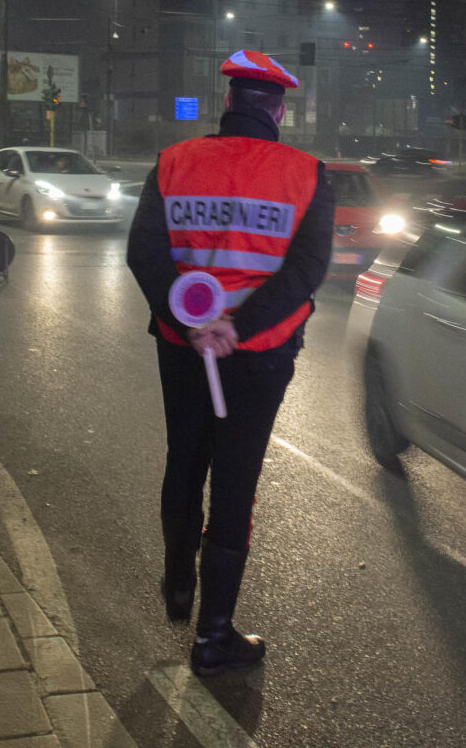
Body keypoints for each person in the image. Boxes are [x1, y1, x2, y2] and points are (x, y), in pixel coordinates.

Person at [127, 49, 334, 677]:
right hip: (259, 355)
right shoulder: (307, 173)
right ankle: (214, 637)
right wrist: (235, 327)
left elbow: (144, 253)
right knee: (235, 479)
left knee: (184, 457)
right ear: (278, 109)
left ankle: (177, 580)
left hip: (181, 346)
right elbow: (304, 272)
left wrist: (192, 322)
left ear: (227, 103)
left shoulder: (173, 162)